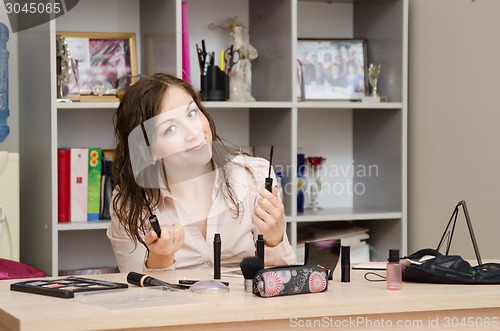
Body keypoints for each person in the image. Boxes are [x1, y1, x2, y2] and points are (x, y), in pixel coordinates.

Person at [107, 73, 296, 273]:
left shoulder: (255, 175)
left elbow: (283, 280)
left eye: (191, 113)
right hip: (177, 304)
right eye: (170, 128)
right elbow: (138, 295)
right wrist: (160, 258)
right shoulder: (129, 203)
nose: (194, 132)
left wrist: (275, 239)